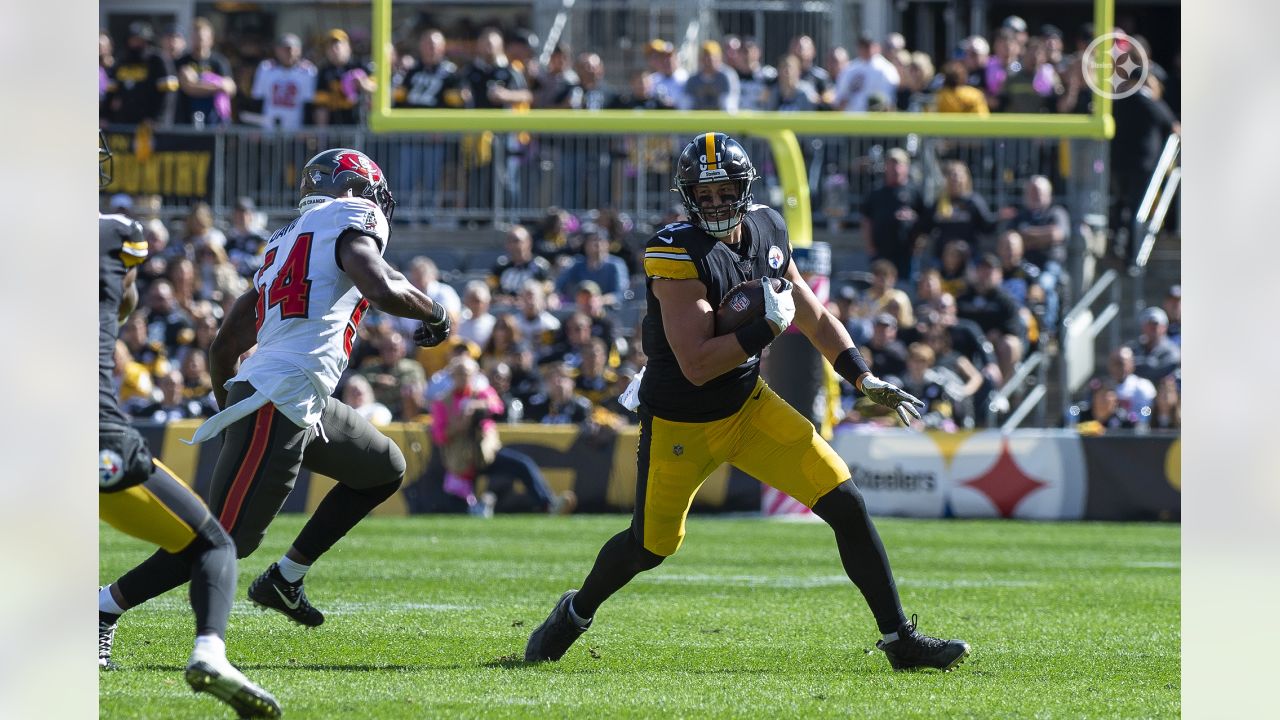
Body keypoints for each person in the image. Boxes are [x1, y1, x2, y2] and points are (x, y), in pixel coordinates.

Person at [526, 132, 969, 671]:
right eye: (703, 194)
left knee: (845, 502)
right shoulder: (675, 252)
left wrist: (861, 376)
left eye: (724, 191)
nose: (715, 203)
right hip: (680, 421)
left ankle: (900, 640)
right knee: (650, 546)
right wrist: (764, 328)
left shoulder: (766, 227)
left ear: (745, 188)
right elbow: (696, 362)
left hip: (747, 405)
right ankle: (575, 612)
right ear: (687, 196)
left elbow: (812, 313)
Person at [100, 148, 453, 638]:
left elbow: (225, 345)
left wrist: (239, 407)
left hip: (292, 396)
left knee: (382, 469)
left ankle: (285, 579)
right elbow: (377, 283)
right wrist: (435, 312)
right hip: (280, 397)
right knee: (222, 541)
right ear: (354, 190)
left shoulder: (283, 241)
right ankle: (103, 608)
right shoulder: (353, 216)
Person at [95, 134, 280, 717]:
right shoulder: (118, 233)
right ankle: (209, 652)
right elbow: (122, 305)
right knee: (211, 544)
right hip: (87, 434)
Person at [860, 148, 925, 282]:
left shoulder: (914, 191)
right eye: (891, 164)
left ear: (906, 167)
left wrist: (918, 244)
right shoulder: (876, 191)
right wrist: (870, 247)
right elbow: (866, 220)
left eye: (899, 164)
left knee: (906, 285)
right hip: (881, 251)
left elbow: (924, 221)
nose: (895, 168)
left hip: (906, 252)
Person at [174, 18, 235, 127]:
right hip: (187, 120)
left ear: (210, 39)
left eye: (202, 38)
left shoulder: (219, 61)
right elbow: (189, 89)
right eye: (195, 37)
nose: (199, 41)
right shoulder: (182, 61)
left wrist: (196, 82)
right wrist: (219, 86)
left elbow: (231, 88)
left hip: (214, 122)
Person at [250, 34, 316, 130]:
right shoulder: (266, 68)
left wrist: (306, 128)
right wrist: (256, 127)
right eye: (284, 49)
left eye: (291, 49)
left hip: (295, 130)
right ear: (277, 50)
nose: (288, 53)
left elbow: (309, 103)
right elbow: (258, 99)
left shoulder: (307, 71)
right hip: (269, 129)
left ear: (299, 50)